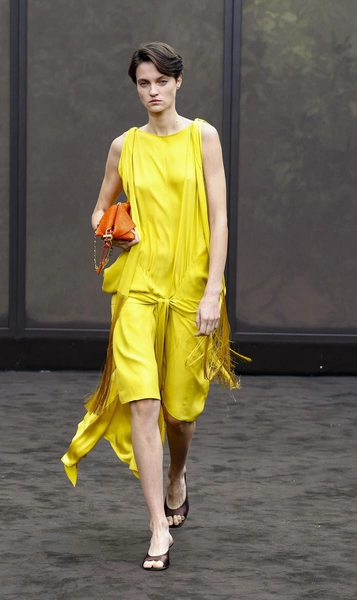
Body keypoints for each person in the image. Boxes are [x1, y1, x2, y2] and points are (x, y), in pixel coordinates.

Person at [61, 41, 244, 571]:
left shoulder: (203, 137)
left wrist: (212, 292)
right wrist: (112, 228)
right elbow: (99, 210)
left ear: (178, 82)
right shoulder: (124, 146)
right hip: (137, 288)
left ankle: (176, 475)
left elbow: (220, 219)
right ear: (136, 87)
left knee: (180, 414)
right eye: (144, 83)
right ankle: (157, 527)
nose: (153, 91)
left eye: (162, 81)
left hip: (189, 287)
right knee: (142, 401)